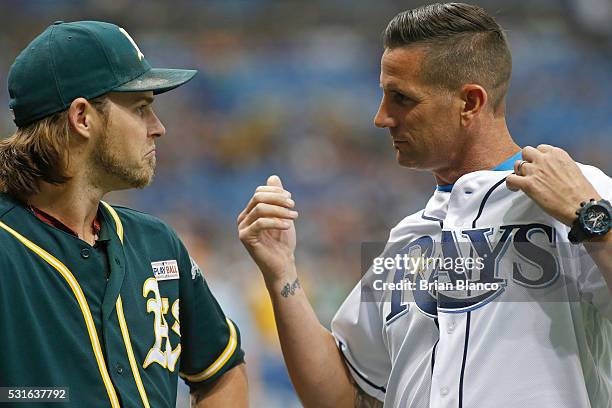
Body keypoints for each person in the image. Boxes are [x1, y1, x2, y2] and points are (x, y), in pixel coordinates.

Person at [238, 3, 611, 408]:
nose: (382, 117)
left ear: (470, 103)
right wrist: (281, 271)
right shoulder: (409, 238)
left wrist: (590, 217)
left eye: (401, 98)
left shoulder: (578, 195)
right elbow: (343, 397)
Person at [0, 21, 247, 407]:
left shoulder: (156, 242)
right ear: (82, 117)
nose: (159, 128)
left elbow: (222, 371)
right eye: (141, 108)